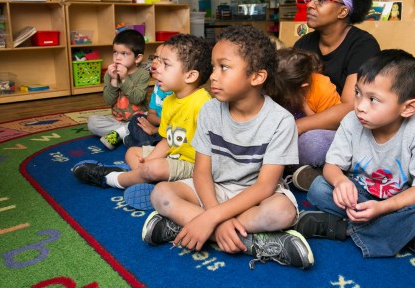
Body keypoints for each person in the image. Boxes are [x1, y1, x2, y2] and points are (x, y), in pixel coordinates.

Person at [140, 25, 314, 270]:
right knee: (161, 194)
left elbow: (265, 186)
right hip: (214, 190)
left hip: (254, 196)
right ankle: (253, 243)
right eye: (213, 66)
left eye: (224, 67)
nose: (212, 76)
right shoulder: (210, 110)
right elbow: (201, 172)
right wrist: (216, 217)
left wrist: (212, 217)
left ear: (256, 77)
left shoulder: (281, 121)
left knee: (282, 212)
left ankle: (183, 227)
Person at [293, 49, 415, 263]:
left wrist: (383, 208)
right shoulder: (351, 121)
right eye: (358, 93)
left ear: (408, 108)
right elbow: (332, 166)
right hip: (360, 197)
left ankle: (342, 229)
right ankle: (409, 236)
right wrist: (340, 182)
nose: (360, 106)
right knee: (319, 187)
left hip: (398, 202)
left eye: (373, 99)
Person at [72, 34, 213, 211]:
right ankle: (142, 177)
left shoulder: (203, 104)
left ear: (191, 76)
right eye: (158, 62)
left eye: (166, 64)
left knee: (153, 168)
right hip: (173, 157)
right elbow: (167, 140)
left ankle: (110, 178)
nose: (157, 69)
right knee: (133, 152)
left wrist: (153, 164)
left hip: (193, 165)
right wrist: (148, 159)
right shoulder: (169, 101)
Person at [292, 0, 380, 191]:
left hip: (348, 128)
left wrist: (296, 127)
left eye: (320, 0)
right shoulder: (304, 43)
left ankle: (320, 171)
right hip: (307, 118)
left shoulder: (363, 45)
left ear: (343, 11)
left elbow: (351, 107)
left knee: (311, 145)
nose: (310, 5)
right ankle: (312, 171)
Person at [268, 48, 341, 166]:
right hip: (281, 136)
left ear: (303, 87)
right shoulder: (273, 84)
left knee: (315, 144)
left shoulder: (323, 89)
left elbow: (326, 126)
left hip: (310, 135)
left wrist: (304, 105)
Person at [87, 29, 150, 150]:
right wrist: (114, 80)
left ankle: (123, 134)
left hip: (139, 121)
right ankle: (127, 134)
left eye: (124, 54)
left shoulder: (143, 74)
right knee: (92, 122)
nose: (117, 58)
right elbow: (109, 101)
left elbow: (137, 99)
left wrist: (125, 78)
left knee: (151, 117)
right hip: (118, 122)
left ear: (137, 58)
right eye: (115, 52)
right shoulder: (110, 74)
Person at [122, 44, 172, 148]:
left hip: (170, 131)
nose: (154, 61)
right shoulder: (158, 86)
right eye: (155, 57)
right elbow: (151, 115)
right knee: (137, 118)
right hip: (159, 125)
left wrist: (155, 130)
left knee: (171, 134)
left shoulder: (180, 92)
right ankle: (147, 144)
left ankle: (138, 143)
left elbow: (178, 126)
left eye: (162, 60)